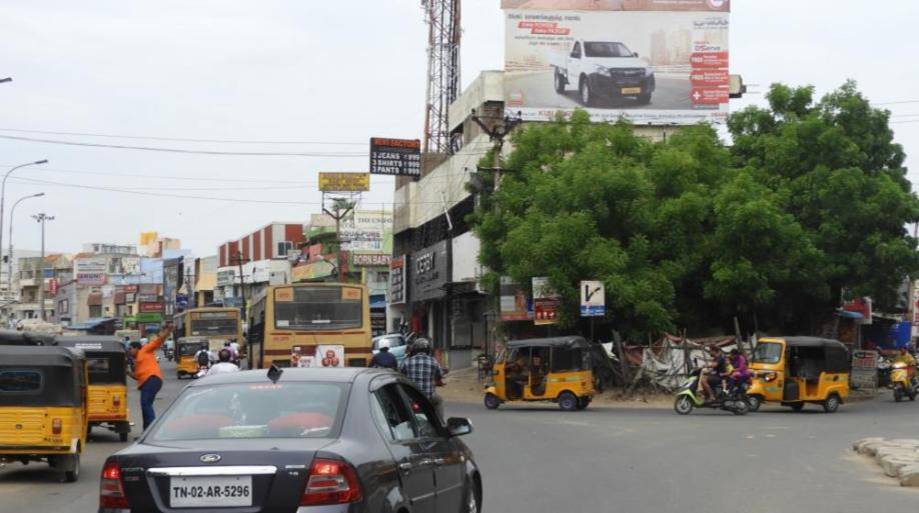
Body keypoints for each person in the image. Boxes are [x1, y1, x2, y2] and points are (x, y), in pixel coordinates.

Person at [127, 323, 174, 431]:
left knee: (146, 404)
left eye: (130, 349)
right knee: (145, 406)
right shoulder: (137, 362)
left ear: (136, 348)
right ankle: (146, 432)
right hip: (147, 382)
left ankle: (153, 430)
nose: (129, 351)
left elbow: (158, 341)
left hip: (152, 379)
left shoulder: (144, 350)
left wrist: (168, 330)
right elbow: (138, 377)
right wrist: (127, 372)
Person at [399, 338, 445, 417]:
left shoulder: (407, 361)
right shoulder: (433, 361)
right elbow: (439, 376)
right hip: (428, 397)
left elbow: (400, 376)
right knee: (439, 401)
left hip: (411, 396)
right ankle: (441, 423)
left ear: (414, 350)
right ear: (428, 350)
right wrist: (438, 381)